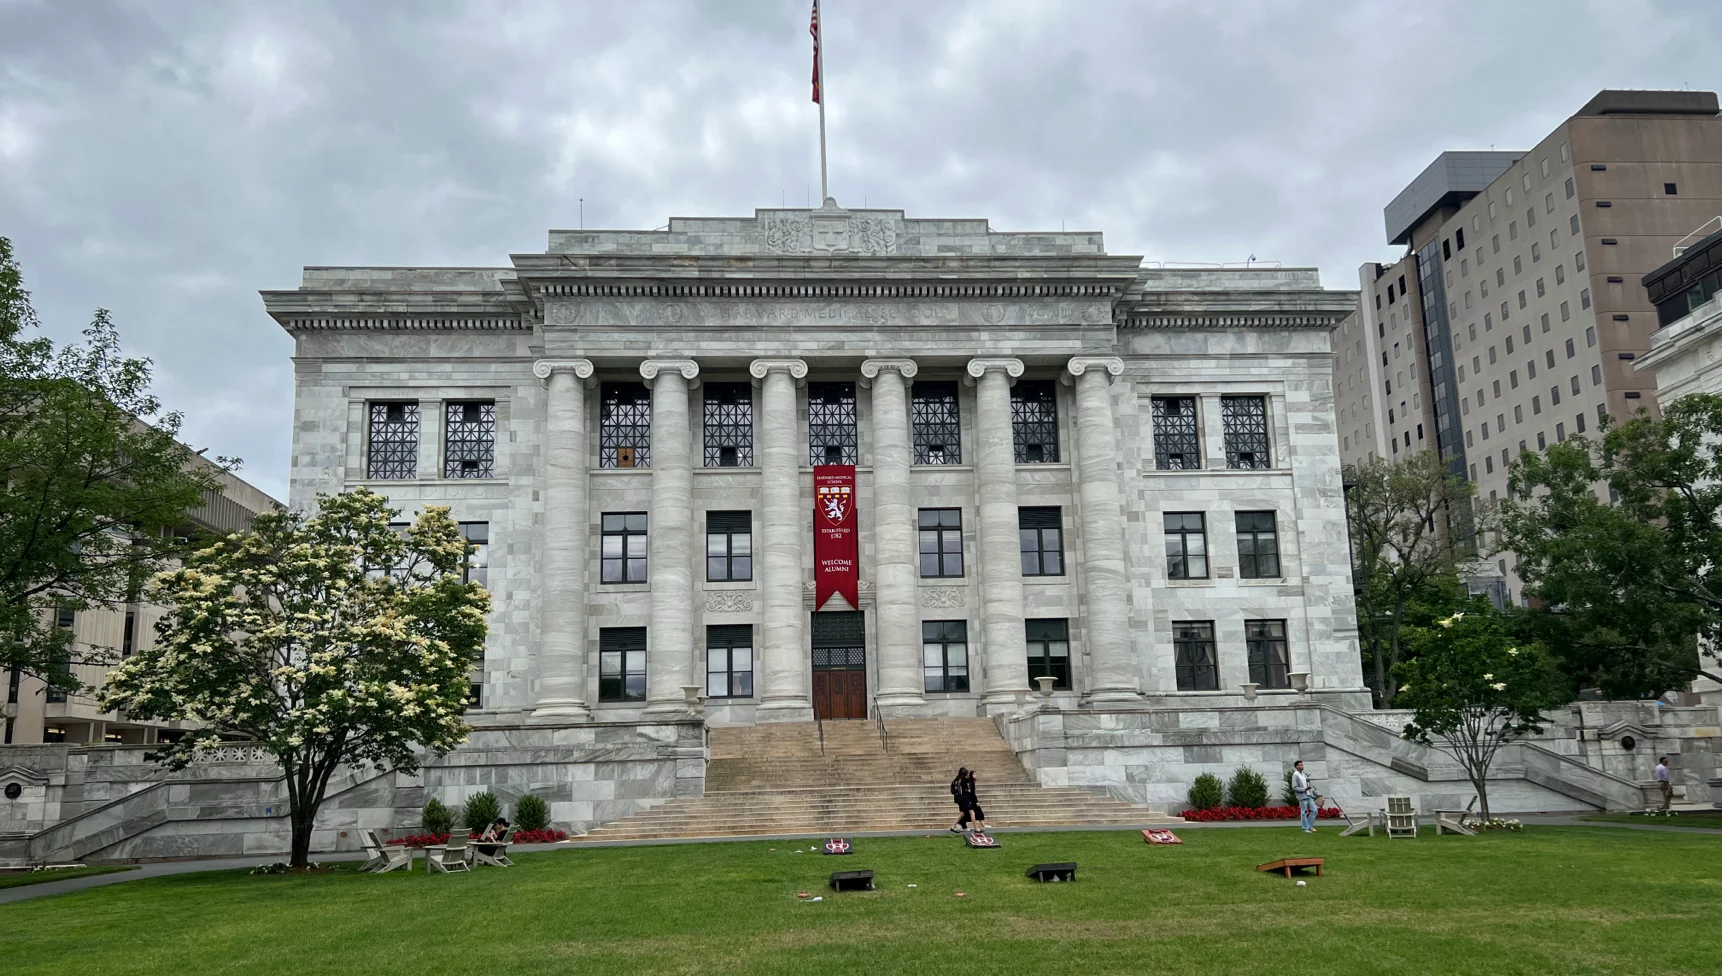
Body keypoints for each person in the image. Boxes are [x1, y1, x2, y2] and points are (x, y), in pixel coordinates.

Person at [1292, 761, 1318, 833]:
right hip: (1302, 796)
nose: (1302, 766)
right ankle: (1305, 828)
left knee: (1314, 810)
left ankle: (1309, 826)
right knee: (1304, 812)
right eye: (1300, 765)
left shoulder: (1304, 775)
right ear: (1297, 766)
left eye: (1302, 765)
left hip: (1309, 795)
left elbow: (1310, 786)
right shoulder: (1295, 775)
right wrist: (1304, 789)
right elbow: (1294, 787)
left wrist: (1316, 793)